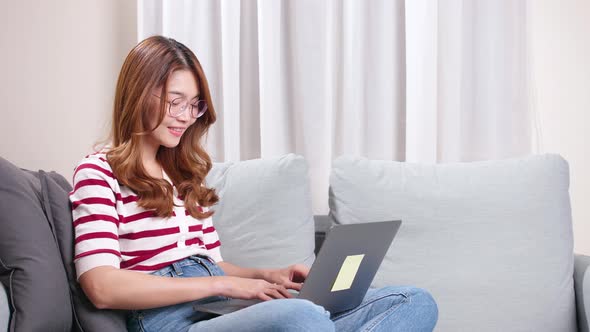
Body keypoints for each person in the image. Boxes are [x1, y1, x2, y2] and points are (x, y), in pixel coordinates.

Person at [69, 35, 438, 332]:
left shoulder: (185, 176)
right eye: (174, 102)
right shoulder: (99, 173)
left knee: (413, 301)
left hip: (218, 311)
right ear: (137, 95)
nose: (185, 117)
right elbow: (102, 286)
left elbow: (212, 265)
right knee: (302, 318)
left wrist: (266, 275)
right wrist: (223, 285)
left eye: (194, 105)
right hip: (168, 320)